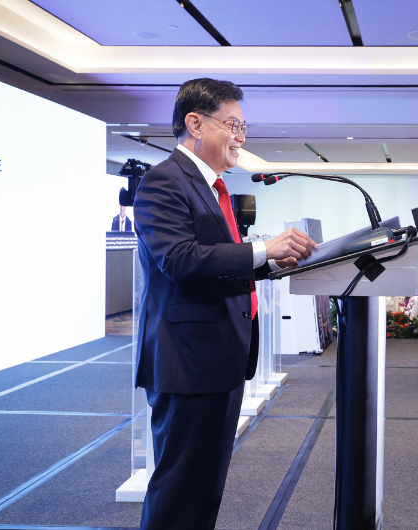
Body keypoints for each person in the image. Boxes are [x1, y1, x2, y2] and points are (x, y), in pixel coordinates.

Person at [132, 78, 318, 530]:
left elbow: (217, 263)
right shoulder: (164, 181)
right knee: (179, 491)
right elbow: (179, 260)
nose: (240, 137)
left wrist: (270, 262)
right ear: (195, 124)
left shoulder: (211, 186)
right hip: (188, 363)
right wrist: (263, 248)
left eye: (243, 127)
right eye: (233, 125)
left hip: (218, 360)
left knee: (202, 489)